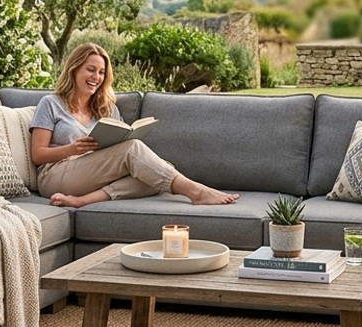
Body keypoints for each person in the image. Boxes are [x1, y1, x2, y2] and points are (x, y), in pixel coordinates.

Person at [30, 43, 239, 208]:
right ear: (74, 70)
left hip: (91, 175)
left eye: (101, 72)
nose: (96, 77)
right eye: (91, 70)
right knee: (138, 154)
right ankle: (196, 192)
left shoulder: (106, 108)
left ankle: (83, 201)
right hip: (55, 175)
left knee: (159, 170)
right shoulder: (51, 103)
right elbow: (37, 155)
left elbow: (119, 145)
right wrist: (72, 149)